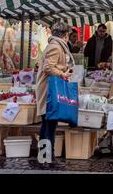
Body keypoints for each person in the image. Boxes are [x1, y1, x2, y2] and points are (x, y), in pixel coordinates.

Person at [36, 22, 75, 163]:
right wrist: (62, 74)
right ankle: (47, 156)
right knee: (50, 123)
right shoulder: (56, 47)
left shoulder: (54, 45)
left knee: (47, 123)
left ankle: (43, 156)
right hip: (49, 90)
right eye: (68, 35)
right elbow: (48, 67)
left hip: (49, 89)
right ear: (65, 35)